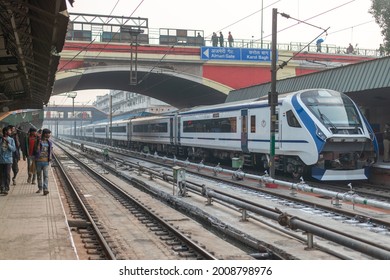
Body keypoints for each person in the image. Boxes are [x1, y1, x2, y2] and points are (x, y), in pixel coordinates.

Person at [34, 128, 52, 195]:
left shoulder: (49, 142)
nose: (49, 135)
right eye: (48, 133)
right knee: (39, 176)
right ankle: (40, 188)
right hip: (38, 161)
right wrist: (38, 143)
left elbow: (50, 151)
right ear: (45, 134)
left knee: (46, 176)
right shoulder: (38, 141)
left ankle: (45, 189)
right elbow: (35, 150)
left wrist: (50, 158)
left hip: (46, 162)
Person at [0, 126, 16, 195]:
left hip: (8, 160)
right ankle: (2, 187)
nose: (10, 132)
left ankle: (6, 188)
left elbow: (13, 149)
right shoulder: (0, 140)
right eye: (9, 131)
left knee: (7, 174)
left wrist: (8, 143)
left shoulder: (11, 140)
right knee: (1, 175)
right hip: (1, 160)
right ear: (6, 132)